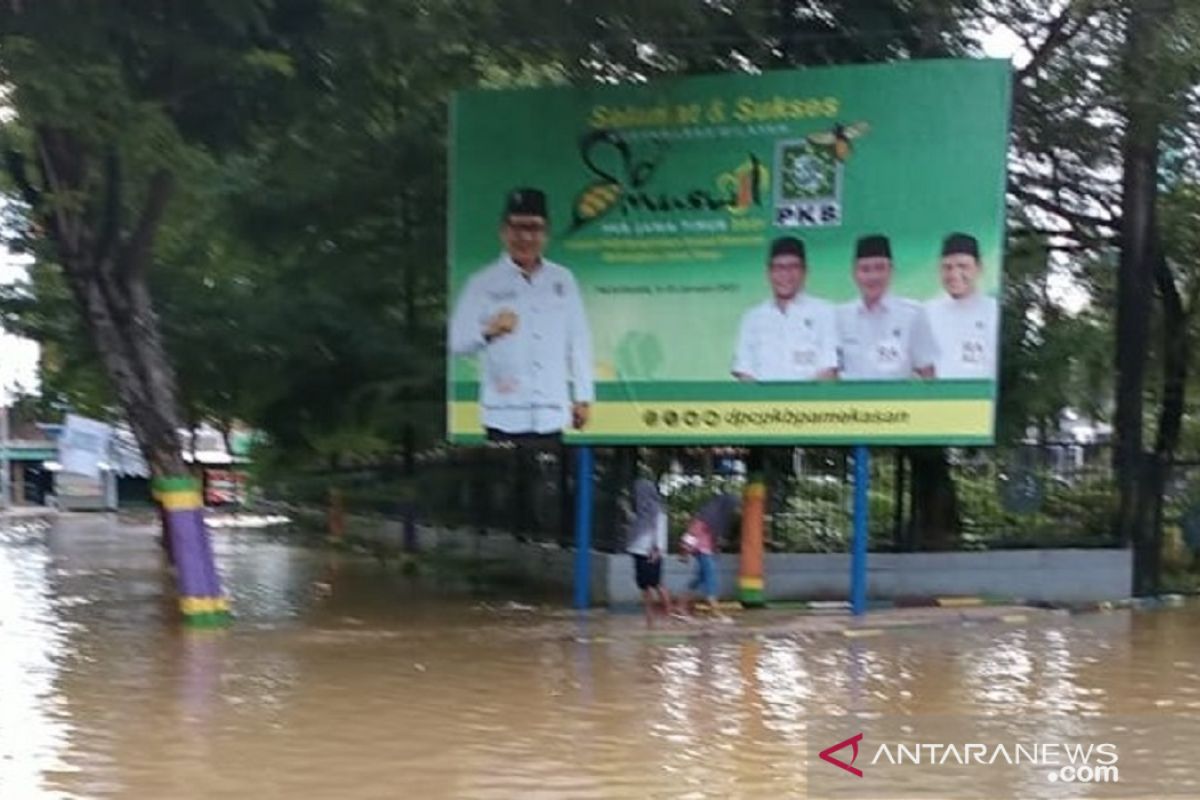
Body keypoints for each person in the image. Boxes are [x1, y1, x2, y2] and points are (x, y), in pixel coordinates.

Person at [448, 188, 594, 442]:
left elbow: (578, 341)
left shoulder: (562, 279)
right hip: (503, 414)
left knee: (552, 479)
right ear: (503, 232)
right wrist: (489, 331)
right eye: (517, 228)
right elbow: (455, 341)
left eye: (534, 228)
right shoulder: (482, 282)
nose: (525, 237)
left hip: (551, 415)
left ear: (546, 233)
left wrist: (583, 397)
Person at [732, 236, 839, 381]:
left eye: (793, 267)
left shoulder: (826, 312)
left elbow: (830, 368)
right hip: (762, 402)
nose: (785, 275)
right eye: (779, 268)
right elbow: (744, 370)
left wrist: (800, 401)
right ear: (768, 273)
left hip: (812, 401)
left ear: (805, 272)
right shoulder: (752, 317)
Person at [837, 234, 938, 380]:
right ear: (854, 273)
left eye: (880, 268)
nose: (873, 277)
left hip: (899, 401)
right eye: (865, 269)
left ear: (891, 271)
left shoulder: (912, 315)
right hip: (853, 402)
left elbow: (927, 371)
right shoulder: (840, 316)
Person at [925, 233, 999, 379]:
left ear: (979, 268)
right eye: (947, 267)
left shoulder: (994, 312)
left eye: (963, 266)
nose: (954, 274)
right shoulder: (925, 313)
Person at [678, 492, 738, 619]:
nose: (734, 509)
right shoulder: (707, 517)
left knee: (699, 579)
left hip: (707, 552)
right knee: (711, 580)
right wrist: (685, 552)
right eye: (733, 506)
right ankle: (715, 612)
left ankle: (681, 606)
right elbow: (692, 534)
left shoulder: (716, 518)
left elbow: (712, 538)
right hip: (702, 552)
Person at [625, 475, 671, 625]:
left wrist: (657, 549)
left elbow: (660, 531)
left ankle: (668, 614)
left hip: (652, 552)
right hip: (638, 550)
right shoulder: (639, 510)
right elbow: (635, 528)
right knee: (644, 586)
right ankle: (649, 616)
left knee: (657, 584)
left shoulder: (658, 511)